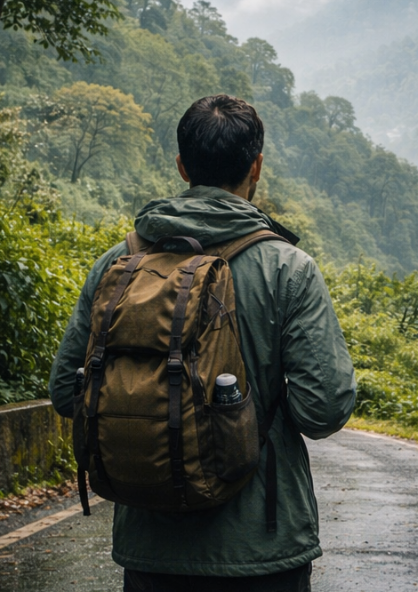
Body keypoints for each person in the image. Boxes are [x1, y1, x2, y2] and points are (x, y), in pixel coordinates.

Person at [49, 94, 356, 592]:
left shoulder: (119, 263)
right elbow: (323, 410)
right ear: (256, 166)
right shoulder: (286, 268)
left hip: (151, 549)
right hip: (262, 546)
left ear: (182, 165)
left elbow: (68, 392)